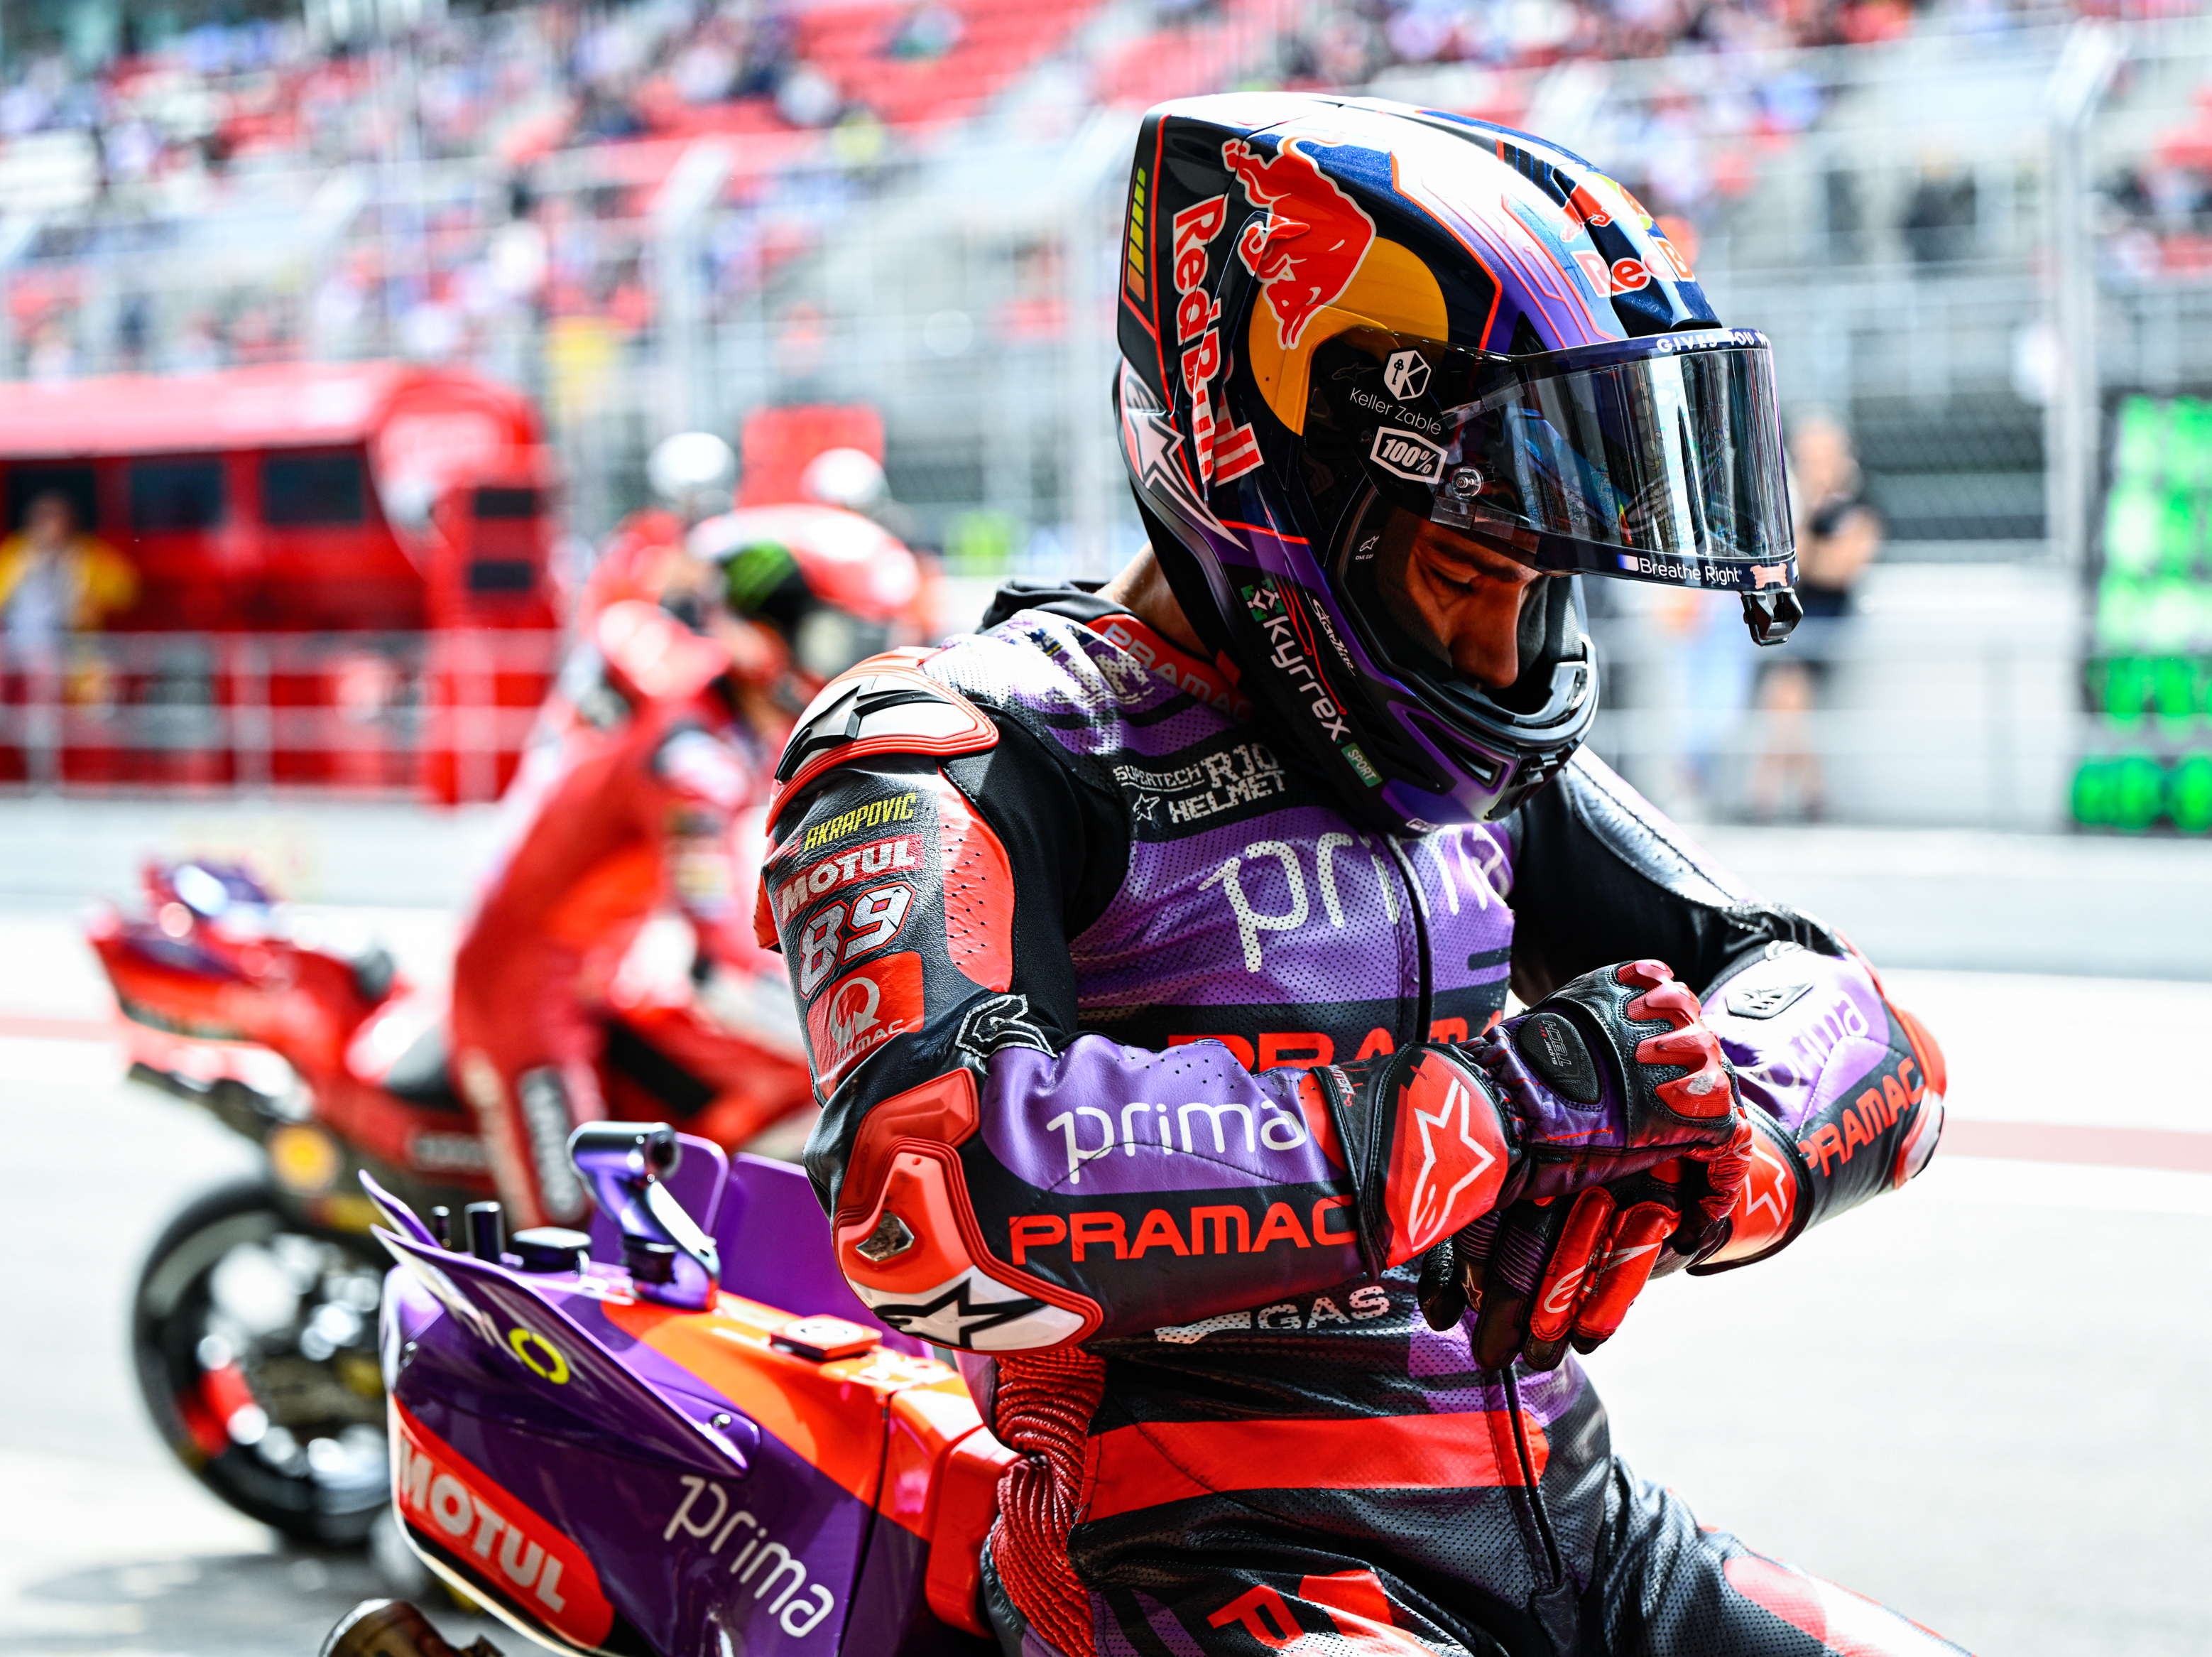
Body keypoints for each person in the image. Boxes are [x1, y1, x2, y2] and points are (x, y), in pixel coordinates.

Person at [758, 97, 1958, 1657]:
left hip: (1589, 1536)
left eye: (1542, 585)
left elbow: (1863, 1023)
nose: (1504, 649)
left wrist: (1705, 1132)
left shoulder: (1482, 756)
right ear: (1281, 474)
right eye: (1470, 568)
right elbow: (934, 1195)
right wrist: (1496, 1118)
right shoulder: (960, 749)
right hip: (1192, 1560)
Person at [449, 450, 925, 1227]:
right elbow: (721, 972)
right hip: (525, 993)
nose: (863, 666)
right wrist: (867, 1041)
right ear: (771, 634)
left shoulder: (727, 716)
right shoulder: (690, 762)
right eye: (844, 640)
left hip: (610, 969)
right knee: (578, 1253)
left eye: (882, 638)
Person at [1750, 415, 1882, 822]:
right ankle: (1813, 796)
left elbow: (1843, 567)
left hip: (1828, 615)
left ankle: (1764, 795)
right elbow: (1795, 564)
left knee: (1786, 692)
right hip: (1792, 613)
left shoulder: (1860, 504)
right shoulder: (1793, 507)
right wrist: (1809, 513)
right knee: (1788, 698)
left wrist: (1811, 557)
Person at [0, 490, 138, 779]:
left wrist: (94, 597)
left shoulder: (86, 555)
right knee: (36, 710)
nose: (53, 529)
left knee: (102, 677)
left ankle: (78, 764)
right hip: (19, 648)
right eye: (46, 521)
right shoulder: (15, 555)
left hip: (72, 646)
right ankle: (26, 758)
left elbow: (126, 589)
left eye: (59, 521)